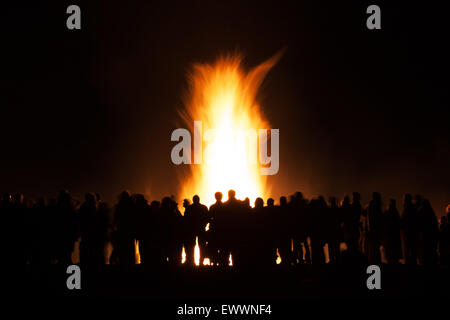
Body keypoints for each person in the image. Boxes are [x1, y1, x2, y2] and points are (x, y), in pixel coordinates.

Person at [183, 195, 209, 266]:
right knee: (202, 246)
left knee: (191, 246)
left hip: (192, 230)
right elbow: (207, 218)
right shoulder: (204, 207)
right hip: (201, 229)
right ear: (199, 200)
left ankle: (191, 261)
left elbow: (186, 219)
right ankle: (201, 262)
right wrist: (203, 225)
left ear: (194, 200)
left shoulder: (189, 208)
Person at [382, 199, 402, 264]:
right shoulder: (395, 213)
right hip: (393, 237)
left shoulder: (387, 213)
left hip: (389, 237)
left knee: (390, 253)